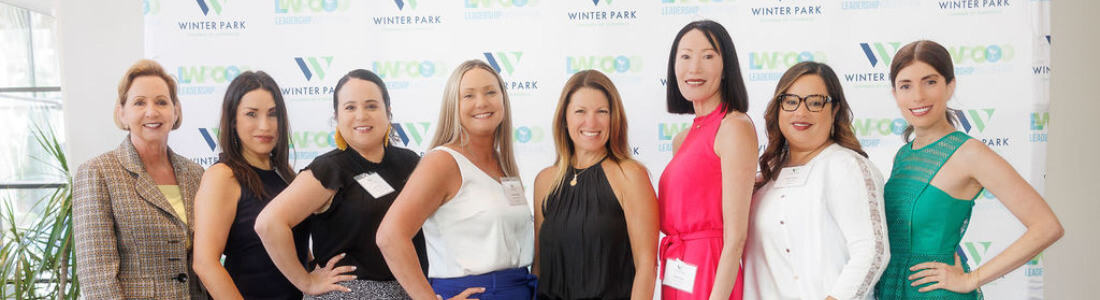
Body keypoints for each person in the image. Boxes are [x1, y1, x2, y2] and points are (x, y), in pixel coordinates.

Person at [874, 40, 1064, 299]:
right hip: (893, 289)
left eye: (930, 82)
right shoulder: (904, 155)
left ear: (950, 86)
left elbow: (1047, 226)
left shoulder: (970, 153)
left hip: (936, 294)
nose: (917, 95)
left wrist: (971, 279)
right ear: (895, 93)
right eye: (905, 85)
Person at [255, 69, 427, 299]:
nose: (361, 115)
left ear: (388, 111)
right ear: (336, 115)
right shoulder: (329, 168)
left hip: (410, 291)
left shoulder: (410, 162)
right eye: (350, 107)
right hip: (349, 294)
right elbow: (268, 224)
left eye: (371, 106)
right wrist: (306, 282)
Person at [377, 60, 534, 300]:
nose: (482, 102)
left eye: (491, 92)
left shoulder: (504, 164)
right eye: (468, 95)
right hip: (474, 293)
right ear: (454, 105)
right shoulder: (441, 162)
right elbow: (390, 236)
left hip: (519, 289)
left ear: (503, 99)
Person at [743, 61, 890, 300]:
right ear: (778, 108)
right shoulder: (766, 175)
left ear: (834, 111)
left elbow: (872, 251)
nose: (801, 112)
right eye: (790, 101)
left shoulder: (845, 166)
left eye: (815, 102)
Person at [73, 59, 209, 299]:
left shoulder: (196, 174)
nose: (151, 111)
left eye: (161, 102)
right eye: (139, 103)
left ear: (175, 111)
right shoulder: (98, 172)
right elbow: (97, 278)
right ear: (122, 113)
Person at [533, 70, 658, 300]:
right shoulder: (545, 181)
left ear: (614, 118)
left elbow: (647, 266)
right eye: (580, 111)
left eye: (602, 111)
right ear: (565, 118)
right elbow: (539, 267)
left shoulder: (630, 175)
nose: (591, 122)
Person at [658, 19, 757, 300]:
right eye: (685, 56)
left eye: (708, 56)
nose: (694, 68)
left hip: (712, 272)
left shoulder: (733, 127)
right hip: (677, 269)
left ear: (727, 67)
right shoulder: (681, 139)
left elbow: (736, 237)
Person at [192, 71, 308, 299]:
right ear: (234, 120)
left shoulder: (286, 176)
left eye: (273, 114)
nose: (264, 126)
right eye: (252, 114)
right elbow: (205, 263)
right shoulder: (223, 176)